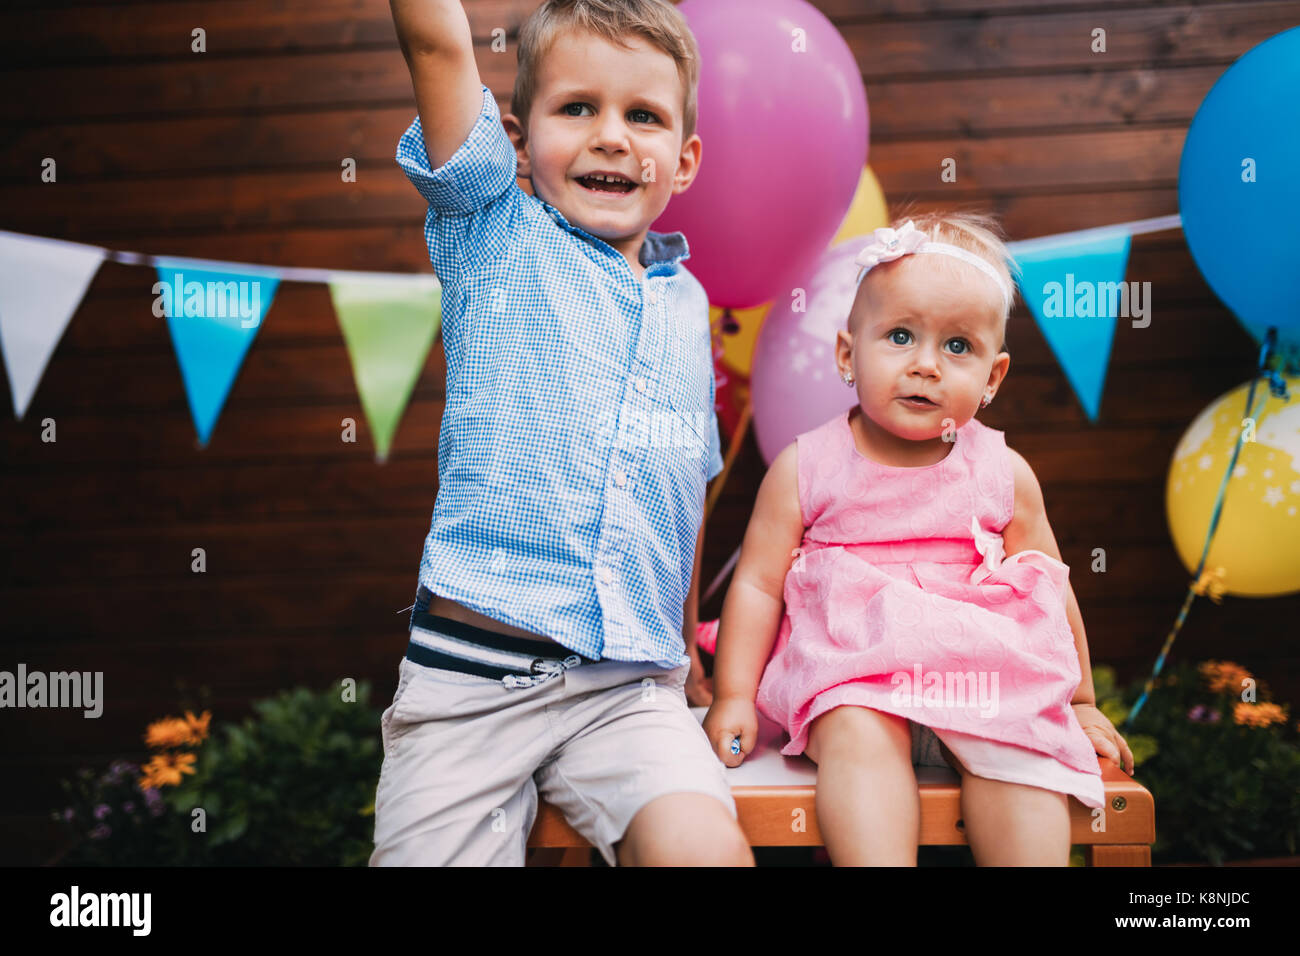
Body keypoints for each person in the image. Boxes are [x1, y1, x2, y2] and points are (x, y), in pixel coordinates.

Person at [371, 0, 752, 866]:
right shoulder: (491, 231)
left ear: (684, 161)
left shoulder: (688, 306)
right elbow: (433, 37)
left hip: (630, 692)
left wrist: (685, 648)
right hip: (472, 680)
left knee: (708, 852)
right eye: (577, 107)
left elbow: (682, 485)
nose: (611, 137)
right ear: (514, 138)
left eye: (643, 115)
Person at [701, 209, 1134, 866]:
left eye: (957, 347)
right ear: (849, 353)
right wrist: (735, 695)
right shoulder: (808, 466)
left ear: (992, 378)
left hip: (987, 686)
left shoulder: (1001, 473)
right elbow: (758, 584)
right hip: (856, 680)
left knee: (1019, 756)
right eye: (900, 336)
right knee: (857, 736)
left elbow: (1047, 584)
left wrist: (1078, 700)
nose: (927, 365)